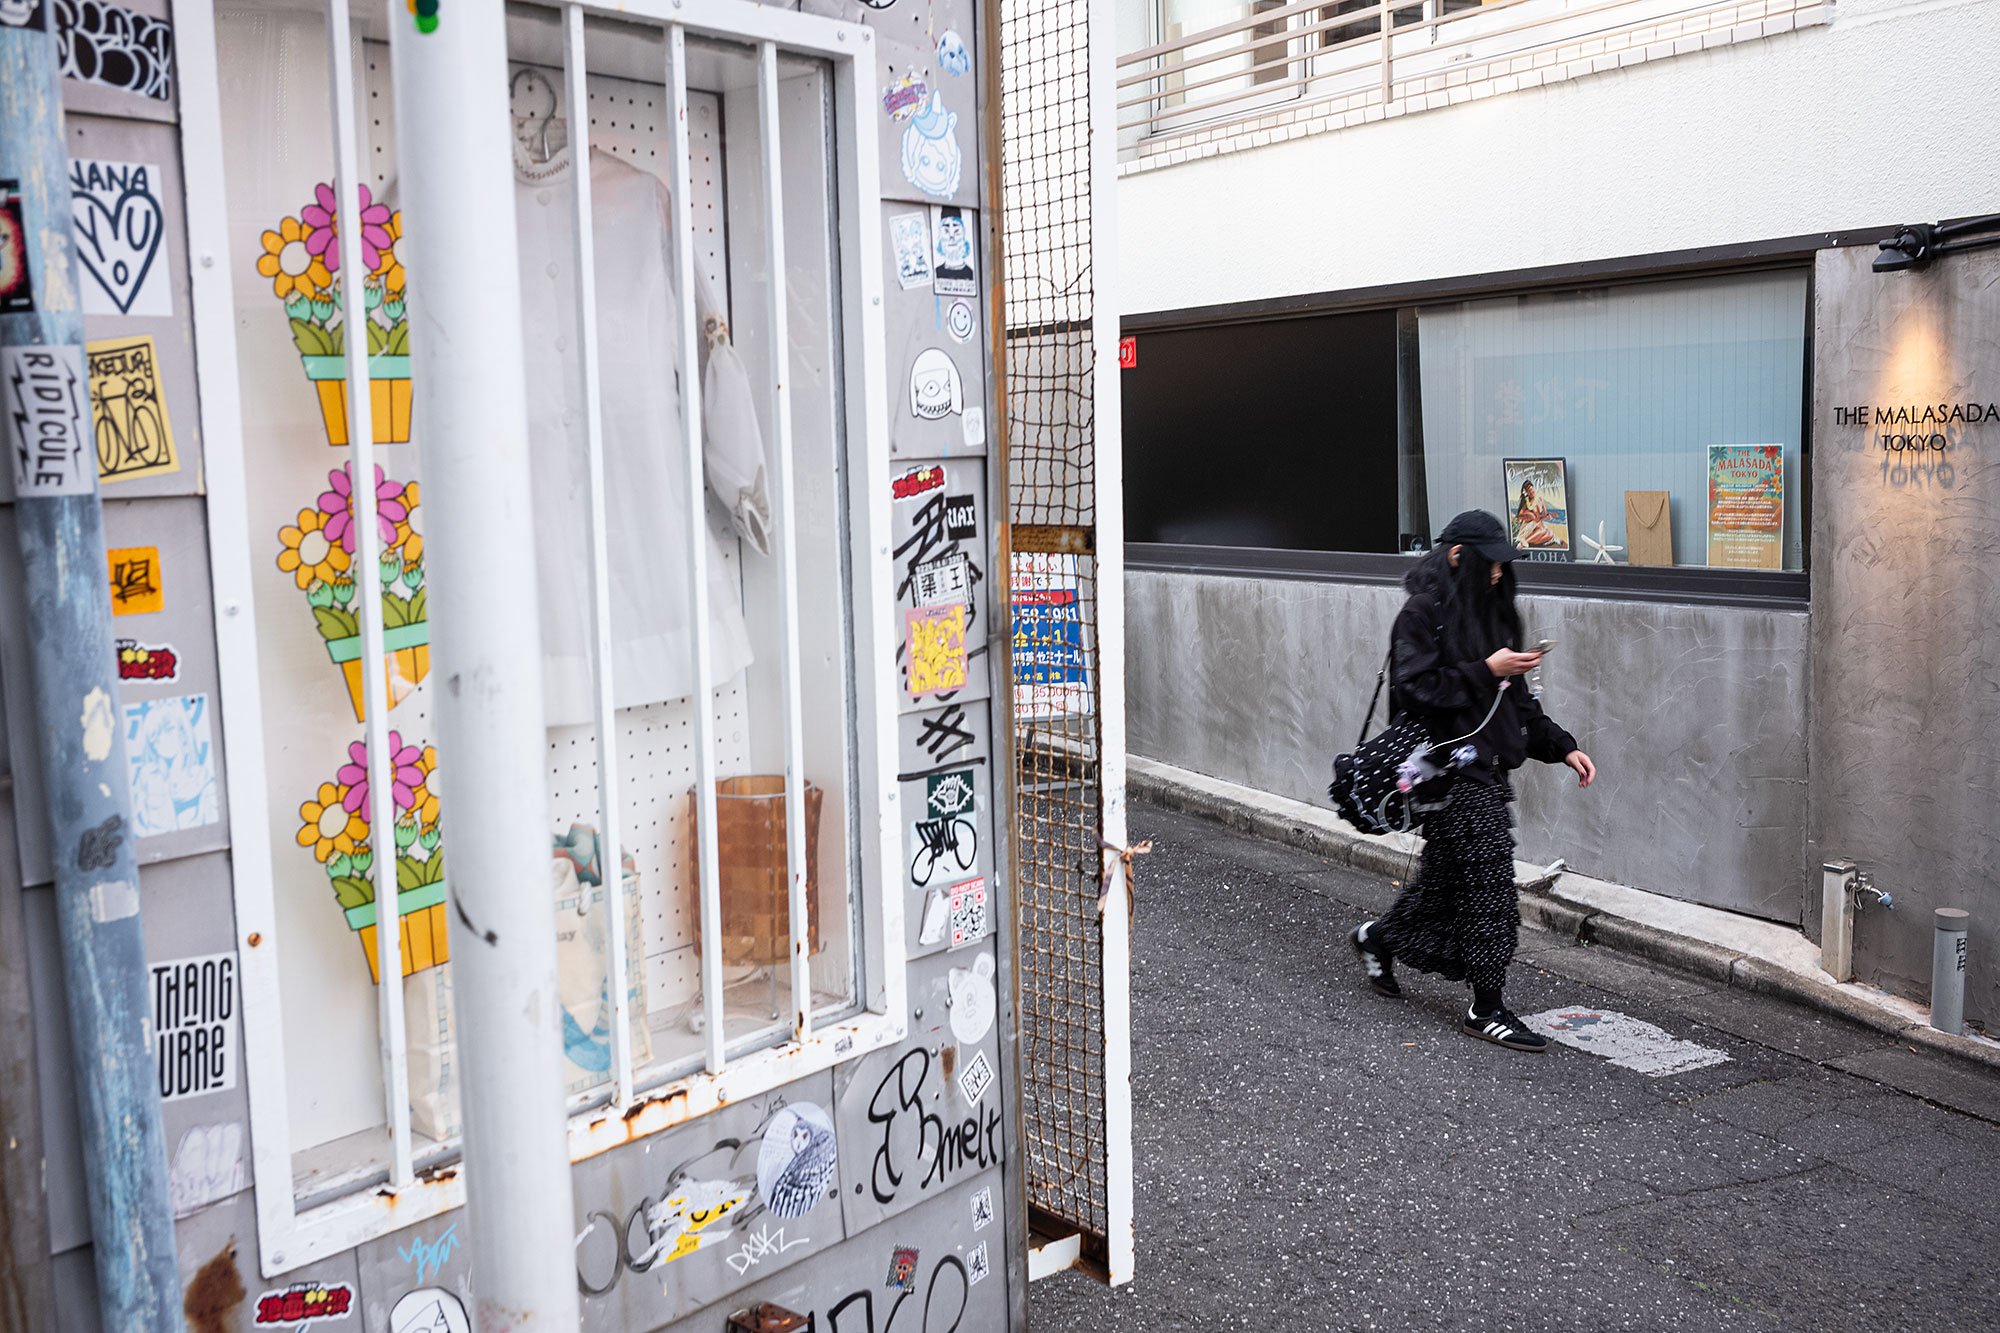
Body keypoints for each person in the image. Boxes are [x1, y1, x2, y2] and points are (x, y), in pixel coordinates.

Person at [1350, 509, 1596, 1051]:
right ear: (1459, 556)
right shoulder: (1421, 612)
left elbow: (1518, 704)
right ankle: (1486, 1007)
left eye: (1503, 565)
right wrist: (1487, 670)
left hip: (1488, 768)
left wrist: (1563, 746)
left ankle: (1378, 938)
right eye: (1491, 563)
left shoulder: (1496, 615)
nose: (1498, 573)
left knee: (1442, 888)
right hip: (1444, 773)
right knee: (1489, 887)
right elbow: (1416, 688)